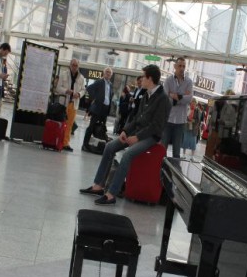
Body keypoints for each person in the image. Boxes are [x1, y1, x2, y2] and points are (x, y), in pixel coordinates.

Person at [79, 64, 171, 206]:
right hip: (137, 133)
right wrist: (126, 131)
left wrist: (138, 137)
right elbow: (137, 119)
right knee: (109, 147)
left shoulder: (163, 99)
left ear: (150, 79)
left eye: (144, 77)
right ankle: (98, 185)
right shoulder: (146, 95)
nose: (141, 80)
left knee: (128, 155)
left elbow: (156, 126)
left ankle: (111, 194)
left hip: (151, 137)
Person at [162, 57, 193, 158]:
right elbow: (165, 98)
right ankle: (160, 170)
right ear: (175, 66)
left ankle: (174, 171)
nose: (182, 68)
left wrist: (174, 96)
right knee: (162, 148)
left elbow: (189, 98)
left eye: (184, 66)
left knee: (176, 152)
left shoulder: (189, 82)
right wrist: (182, 97)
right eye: (180, 66)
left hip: (180, 121)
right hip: (167, 119)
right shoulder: (168, 81)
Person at [54, 58, 85, 152]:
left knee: (70, 125)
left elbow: (83, 90)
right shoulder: (63, 74)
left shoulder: (81, 78)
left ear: (78, 66)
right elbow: (58, 88)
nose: (74, 67)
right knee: (61, 123)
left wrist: (79, 94)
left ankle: (65, 143)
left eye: (76, 65)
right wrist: (66, 91)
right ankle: (57, 141)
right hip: (63, 103)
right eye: (73, 65)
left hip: (73, 104)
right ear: (70, 65)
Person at [82, 67, 113, 152]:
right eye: (107, 72)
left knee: (101, 128)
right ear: (104, 73)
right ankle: (84, 145)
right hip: (97, 108)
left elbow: (109, 96)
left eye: (110, 73)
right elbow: (89, 88)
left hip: (105, 109)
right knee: (91, 127)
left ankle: (97, 146)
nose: (108, 73)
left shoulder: (110, 84)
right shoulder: (99, 82)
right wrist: (95, 98)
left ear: (111, 75)